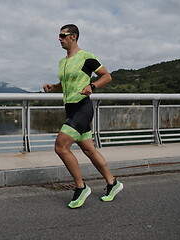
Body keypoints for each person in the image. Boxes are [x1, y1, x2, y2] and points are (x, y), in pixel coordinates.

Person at [43, 24, 123, 209]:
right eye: (59, 36)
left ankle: (81, 187)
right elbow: (66, 85)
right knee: (89, 150)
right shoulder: (62, 62)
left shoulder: (86, 57)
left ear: (74, 36)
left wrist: (93, 86)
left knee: (60, 147)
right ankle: (112, 183)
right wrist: (53, 88)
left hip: (83, 108)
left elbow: (106, 76)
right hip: (70, 109)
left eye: (63, 35)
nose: (60, 38)